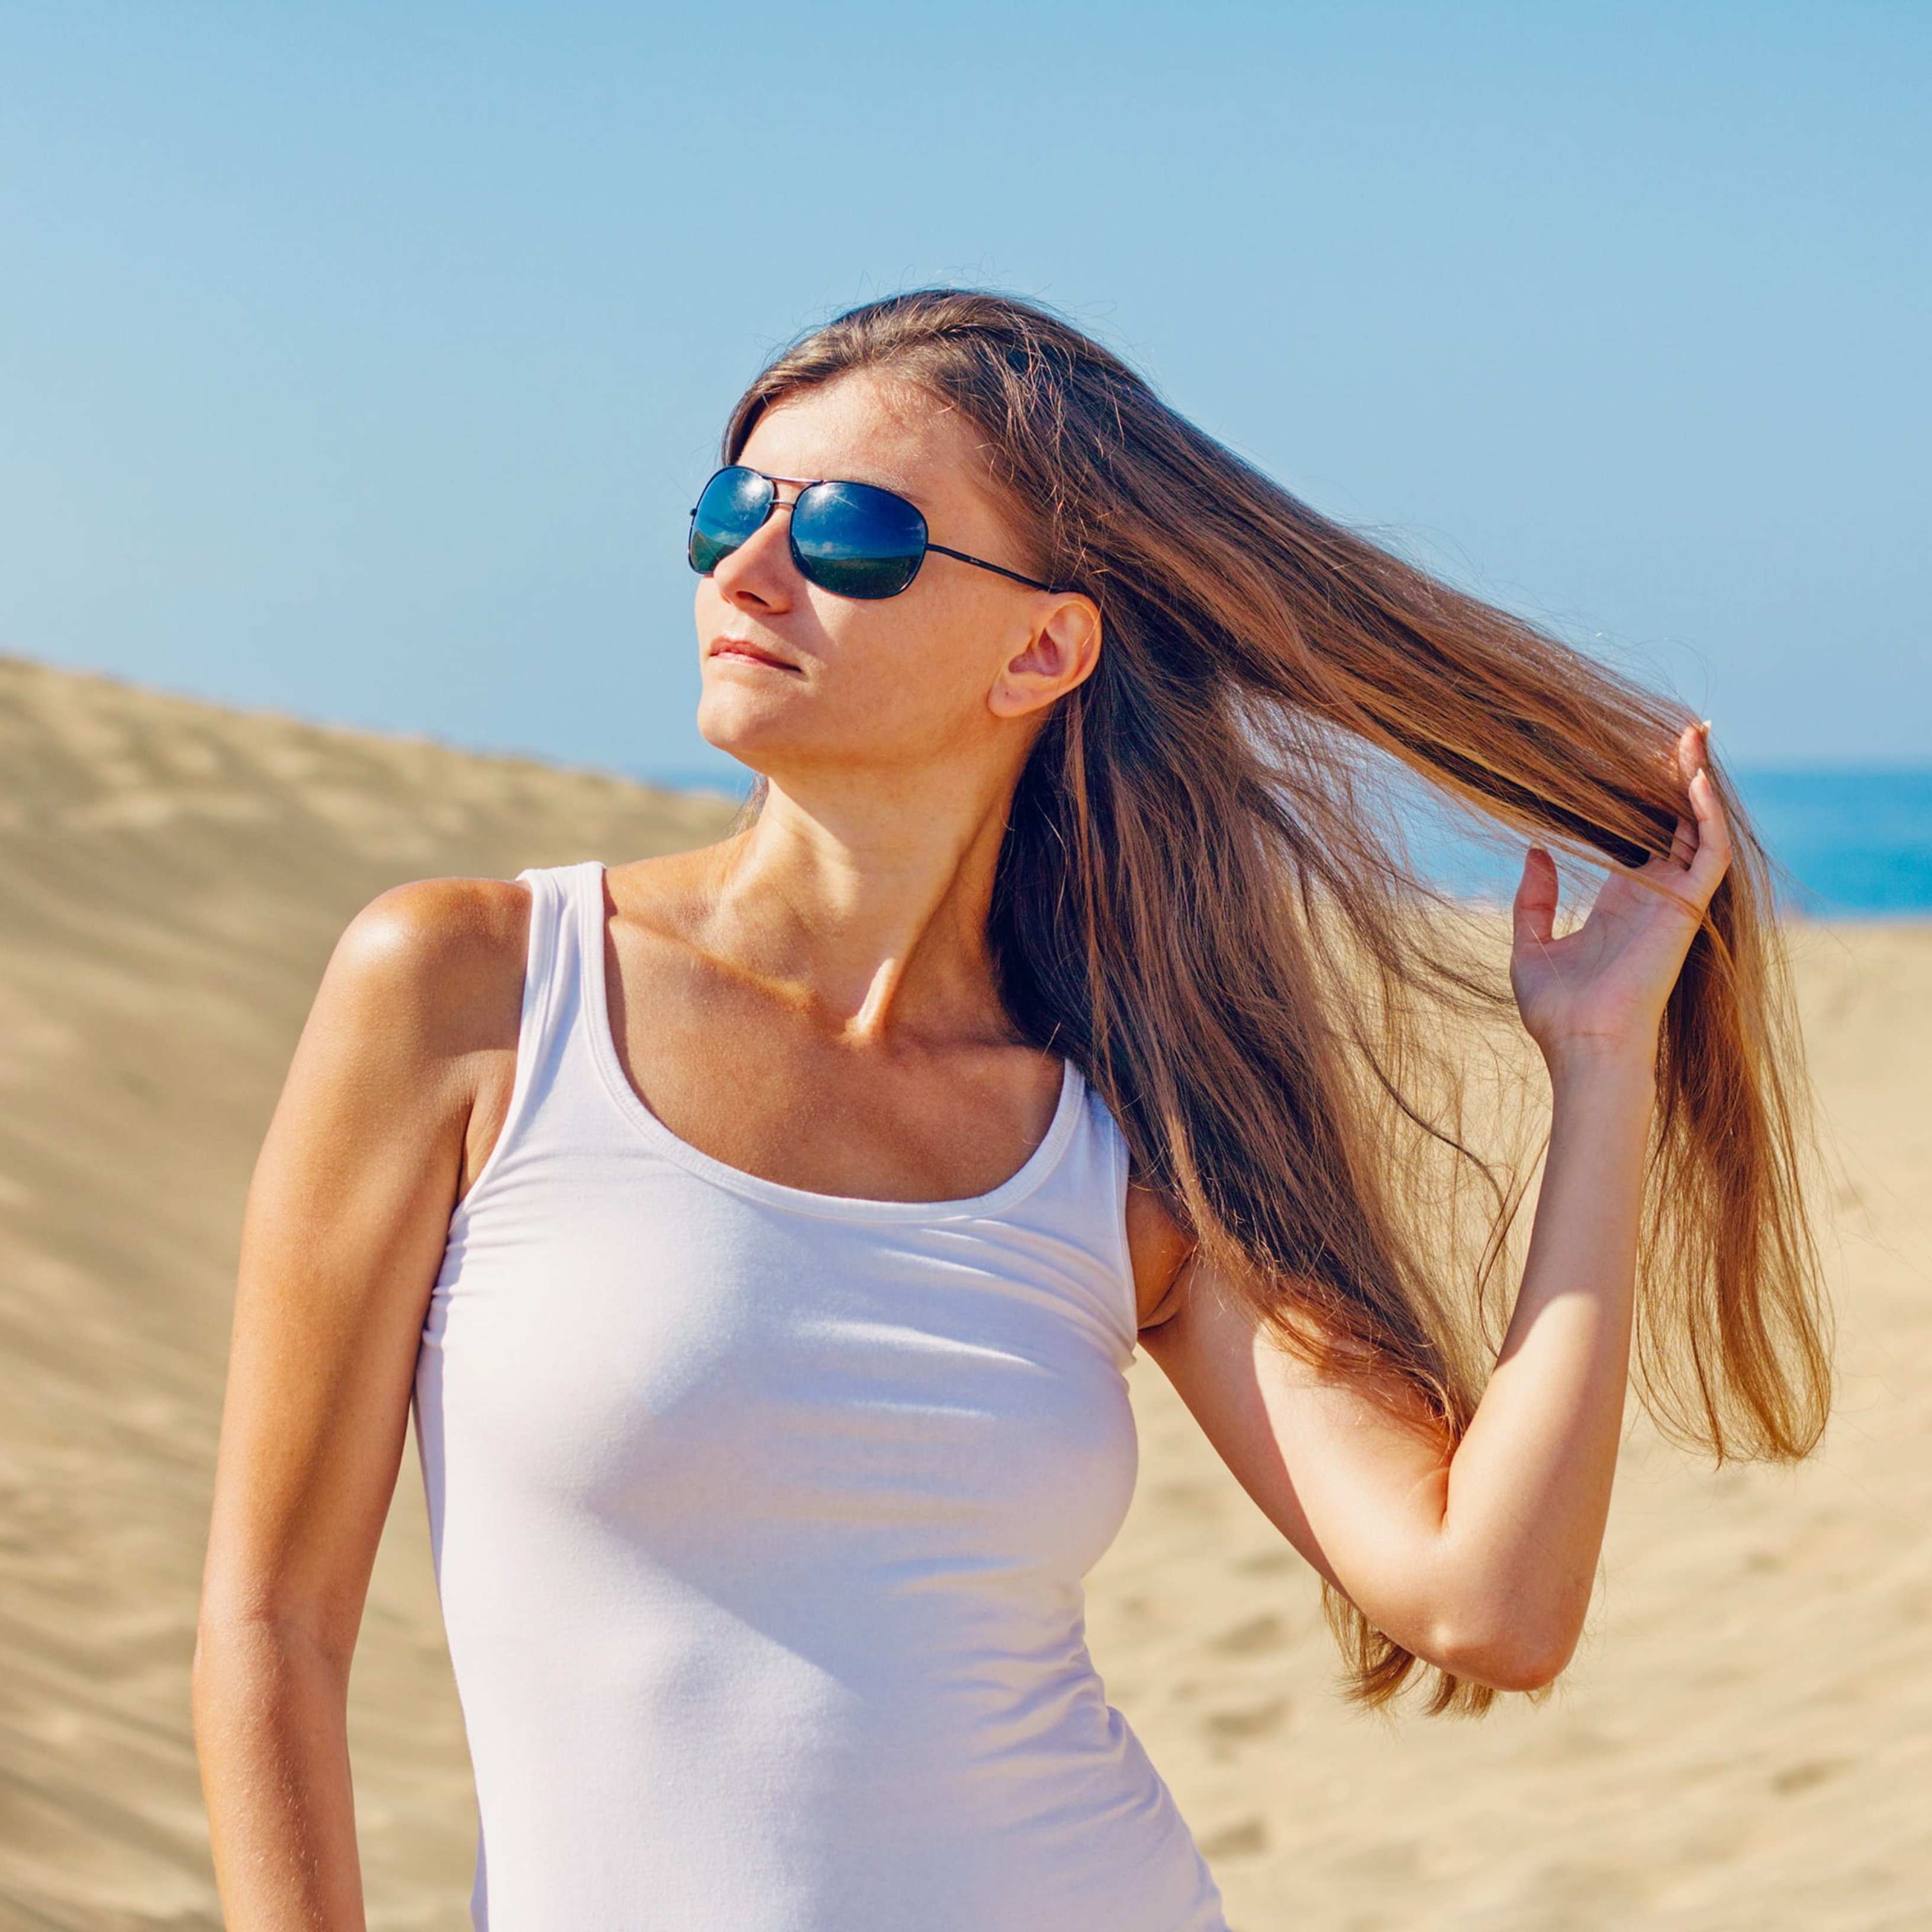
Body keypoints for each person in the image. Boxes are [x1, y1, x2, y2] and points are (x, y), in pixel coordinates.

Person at [193, 291, 1829, 1930]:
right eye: (726, 512)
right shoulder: (477, 990)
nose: (746, 574)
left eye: (851, 535)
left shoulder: (1119, 1133)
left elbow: (1490, 1600)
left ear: (1044, 646)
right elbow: (271, 1625)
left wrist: (1604, 1057)